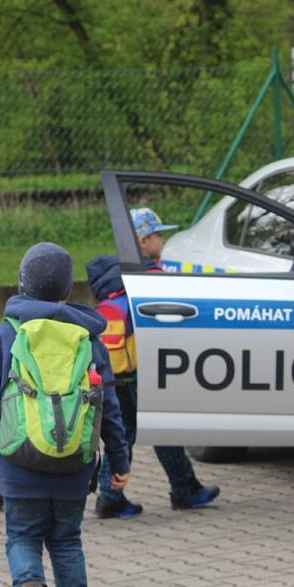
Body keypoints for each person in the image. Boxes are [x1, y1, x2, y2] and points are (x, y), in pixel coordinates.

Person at [0, 242, 131, 587]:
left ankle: (29, 585)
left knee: (23, 537)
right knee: (67, 541)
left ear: (21, 284)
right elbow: (109, 410)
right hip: (74, 467)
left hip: (17, 465)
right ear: (66, 291)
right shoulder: (90, 341)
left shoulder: (3, 338)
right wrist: (119, 461)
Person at [86, 207, 220, 519]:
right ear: (143, 242)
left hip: (117, 367)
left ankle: (131, 492)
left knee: (134, 428)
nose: (164, 239)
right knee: (152, 425)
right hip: (145, 366)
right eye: (159, 234)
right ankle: (127, 493)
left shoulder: (114, 279)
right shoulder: (152, 277)